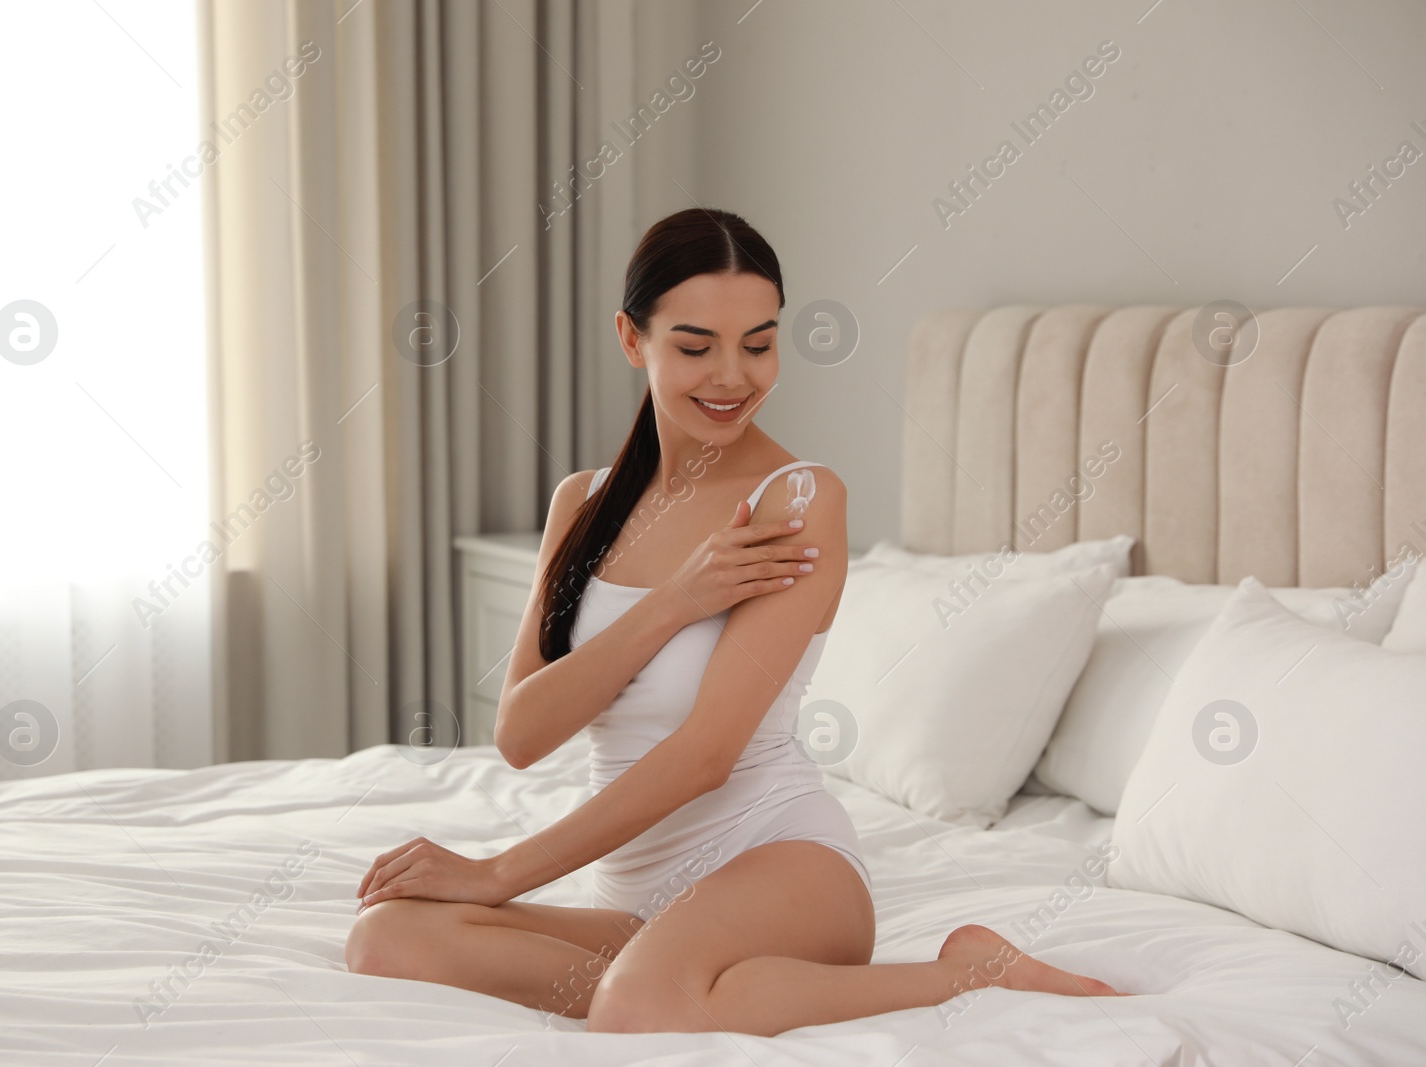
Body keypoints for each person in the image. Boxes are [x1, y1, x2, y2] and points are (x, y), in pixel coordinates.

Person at [345, 207, 1120, 1034]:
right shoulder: (583, 504)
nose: (732, 376)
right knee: (386, 937)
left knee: (638, 1004)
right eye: (694, 345)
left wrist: (499, 873)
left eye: (758, 343)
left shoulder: (796, 501)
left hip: (780, 864)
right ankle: (684, 976)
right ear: (631, 339)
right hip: (639, 902)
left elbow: (708, 754)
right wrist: (676, 601)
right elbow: (523, 732)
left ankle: (966, 973)